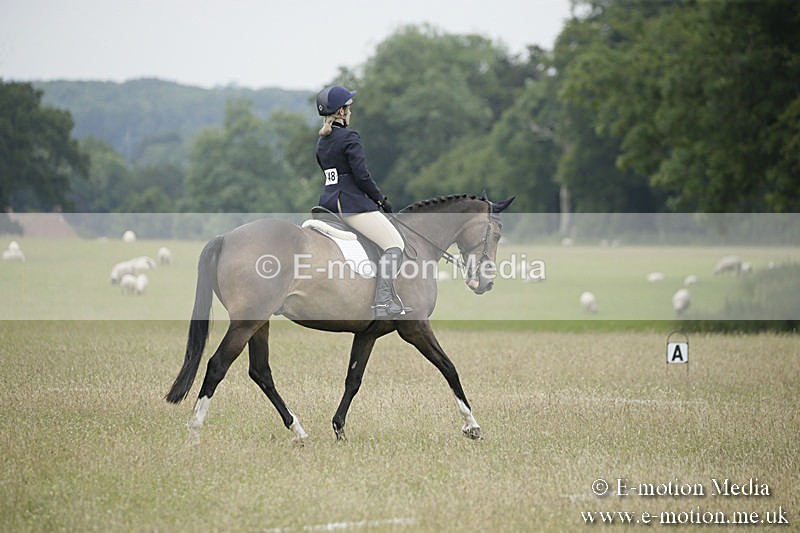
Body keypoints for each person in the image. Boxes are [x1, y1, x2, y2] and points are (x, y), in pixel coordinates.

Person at [315, 85, 409, 318]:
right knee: (395, 244)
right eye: (348, 108)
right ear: (341, 112)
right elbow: (362, 176)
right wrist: (381, 200)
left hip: (327, 203)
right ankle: (383, 302)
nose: (350, 111)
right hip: (351, 205)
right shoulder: (349, 137)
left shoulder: (322, 142)